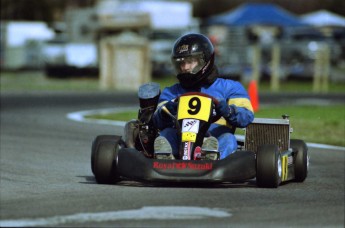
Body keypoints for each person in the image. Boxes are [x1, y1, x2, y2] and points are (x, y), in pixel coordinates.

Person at [152, 33, 254, 160]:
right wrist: (165, 112)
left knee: (228, 139)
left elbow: (247, 116)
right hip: (181, 141)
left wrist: (229, 111)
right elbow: (156, 120)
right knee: (166, 134)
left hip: (214, 138)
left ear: (205, 61)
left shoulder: (229, 88)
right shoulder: (172, 92)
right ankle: (166, 158)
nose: (185, 67)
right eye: (181, 63)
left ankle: (211, 156)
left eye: (190, 61)